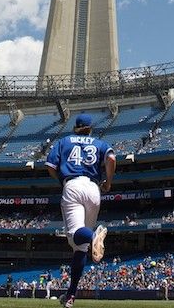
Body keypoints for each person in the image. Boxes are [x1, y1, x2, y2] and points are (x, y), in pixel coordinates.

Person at [46, 112, 116, 308]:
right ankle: (70, 295)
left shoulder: (64, 141)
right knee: (81, 248)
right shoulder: (100, 143)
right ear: (91, 128)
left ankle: (94, 235)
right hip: (94, 189)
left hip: (73, 185)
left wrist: (62, 180)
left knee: (75, 235)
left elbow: (50, 166)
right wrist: (108, 183)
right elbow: (111, 159)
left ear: (75, 128)